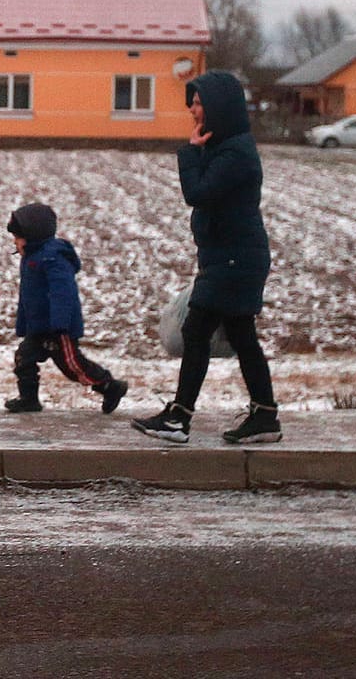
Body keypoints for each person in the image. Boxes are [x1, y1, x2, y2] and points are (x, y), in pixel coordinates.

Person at [132, 70, 281, 444]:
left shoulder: (235, 153)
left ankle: (180, 418)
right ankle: (265, 416)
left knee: (196, 330)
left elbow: (197, 192)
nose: (193, 111)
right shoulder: (228, 147)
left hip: (234, 260)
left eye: (198, 103)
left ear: (219, 107)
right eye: (193, 103)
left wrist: (191, 151)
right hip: (230, 257)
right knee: (242, 336)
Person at [3, 203, 129, 414]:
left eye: (17, 238)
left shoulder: (53, 257)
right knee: (24, 358)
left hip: (57, 327)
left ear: (33, 235)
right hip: (38, 327)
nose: (15, 243)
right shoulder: (30, 259)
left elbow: (63, 293)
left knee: (72, 367)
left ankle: (109, 386)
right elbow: (27, 297)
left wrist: (60, 323)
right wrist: (24, 324)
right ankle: (28, 398)